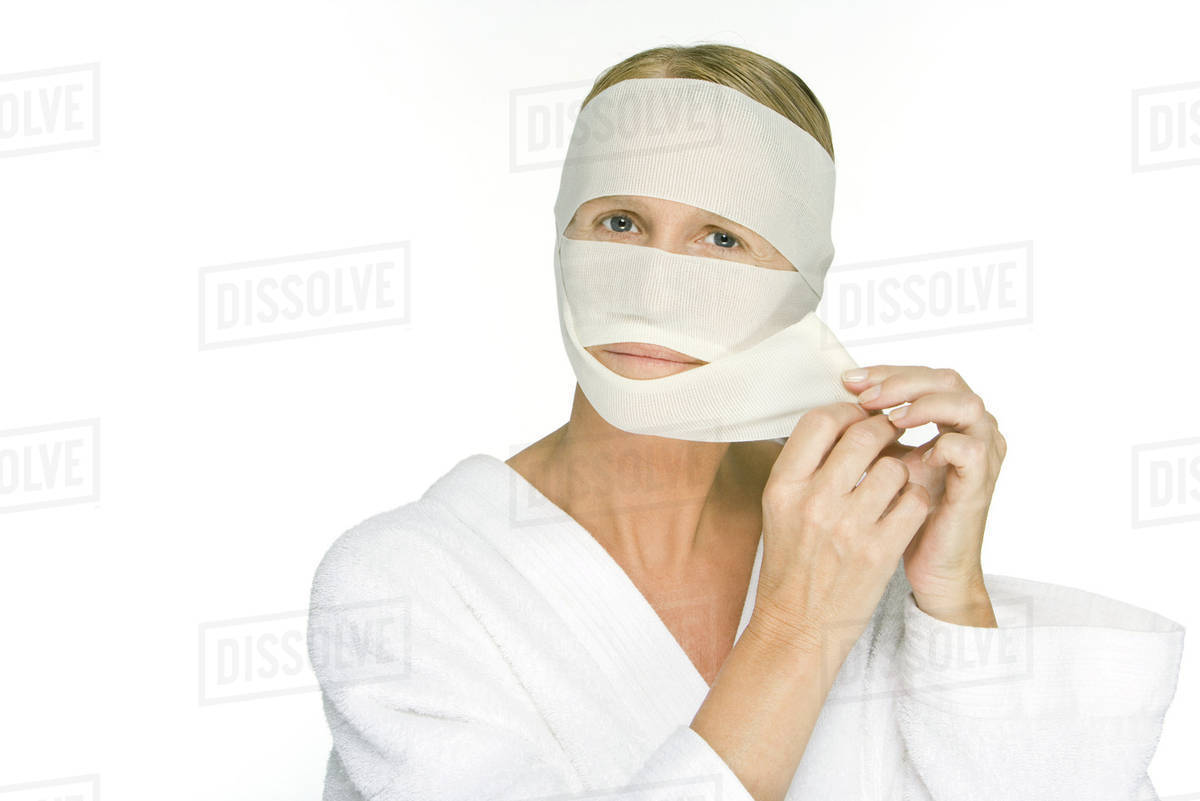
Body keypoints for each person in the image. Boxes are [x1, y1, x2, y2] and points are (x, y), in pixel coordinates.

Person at [308, 44, 1184, 801]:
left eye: (721, 239)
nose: (655, 282)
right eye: (620, 221)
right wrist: (796, 628)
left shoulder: (847, 520)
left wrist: (952, 598)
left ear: (799, 286)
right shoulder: (406, 581)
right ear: (563, 238)